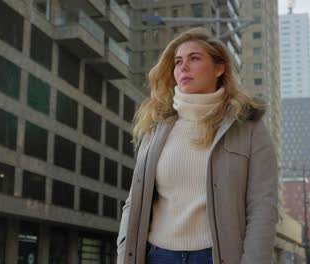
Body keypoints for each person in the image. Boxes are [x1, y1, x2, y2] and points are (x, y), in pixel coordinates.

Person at [117, 27, 278, 264]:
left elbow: (263, 206)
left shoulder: (248, 126)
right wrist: (124, 255)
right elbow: (134, 201)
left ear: (219, 68)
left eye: (194, 59)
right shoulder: (156, 126)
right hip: (158, 256)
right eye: (178, 61)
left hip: (217, 256)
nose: (183, 67)